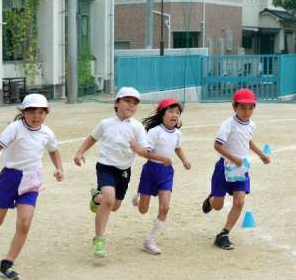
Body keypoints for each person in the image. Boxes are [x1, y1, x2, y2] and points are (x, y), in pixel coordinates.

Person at [73, 87, 171, 258]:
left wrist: (140, 149)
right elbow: (92, 138)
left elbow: (144, 151)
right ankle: (99, 239)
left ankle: (96, 197)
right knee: (109, 199)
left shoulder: (137, 127)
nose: (131, 105)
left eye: (134, 103)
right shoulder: (105, 123)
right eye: (127, 101)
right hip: (105, 167)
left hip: (124, 171)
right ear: (116, 103)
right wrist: (80, 152)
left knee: (114, 206)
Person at [0, 93, 63, 280]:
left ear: (46, 113)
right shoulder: (15, 128)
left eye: (41, 112)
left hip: (32, 179)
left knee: (25, 222)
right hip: (10, 178)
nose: (36, 116)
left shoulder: (47, 133)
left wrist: (59, 168)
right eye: (32, 112)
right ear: (24, 112)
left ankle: (7, 263)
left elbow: (54, 151)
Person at [201, 88, 270, 250]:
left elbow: (248, 141)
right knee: (218, 206)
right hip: (224, 167)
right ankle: (211, 199)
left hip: (241, 168)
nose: (247, 112)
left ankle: (223, 234)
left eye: (251, 108)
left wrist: (261, 154)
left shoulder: (251, 124)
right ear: (234, 107)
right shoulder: (228, 124)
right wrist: (234, 159)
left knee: (239, 202)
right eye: (243, 108)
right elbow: (217, 145)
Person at [132, 98, 191, 255]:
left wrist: (184, 160)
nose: (174, 115)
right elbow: (146, 153)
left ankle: (149, 241)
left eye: (177, 112)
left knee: (165, 208)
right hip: (151, 171)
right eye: (170, 111)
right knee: (143, 210)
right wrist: (162, 158)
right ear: (162, 114)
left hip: (166, 172)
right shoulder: (155, 132)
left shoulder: (177, 133)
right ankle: (139, 195)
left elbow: (177, 148)